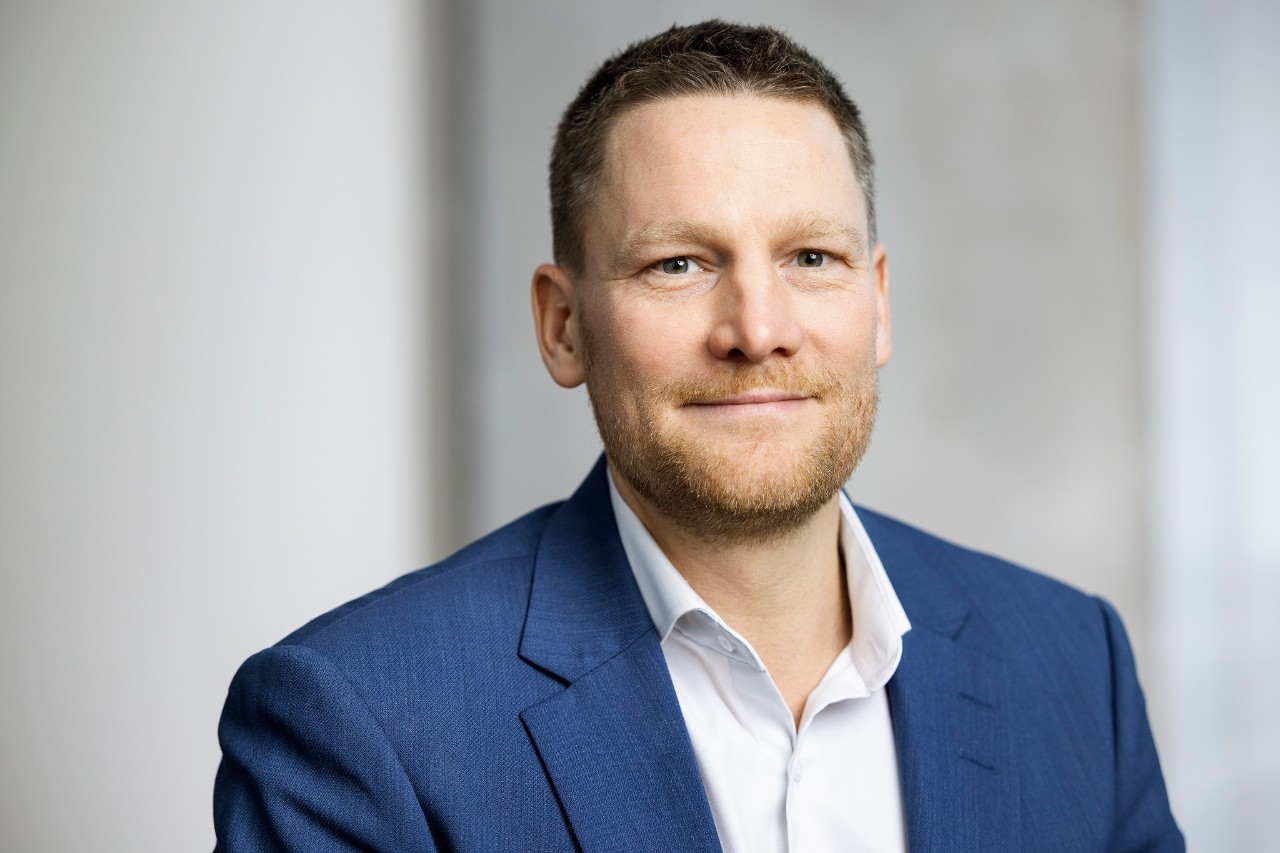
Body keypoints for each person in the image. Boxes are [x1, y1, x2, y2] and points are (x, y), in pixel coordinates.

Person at [213, 20, 1183, 852]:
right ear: (562, 326)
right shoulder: (354, 720)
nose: (757, 330)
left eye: (811, 257)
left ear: (878, 303)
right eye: (678, 264)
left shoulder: (1071, 664)